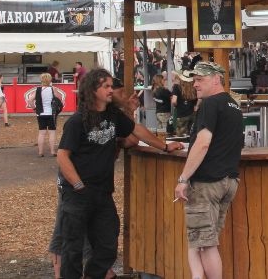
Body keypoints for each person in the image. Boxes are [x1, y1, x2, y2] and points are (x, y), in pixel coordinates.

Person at [56, 68, 183, 279]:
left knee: (108, 243)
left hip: (102, 192)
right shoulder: (77, 121)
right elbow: (62, 156)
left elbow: (136, 130)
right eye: (105, 86)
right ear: (93, 90)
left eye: (110, 86)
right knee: (73, 248)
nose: (110, 90)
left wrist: (164, 146)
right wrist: (78, 185)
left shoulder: (113, 115)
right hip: (77, 194)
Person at [173, 62, 243, 279]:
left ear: (216, 79)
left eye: (200, 80)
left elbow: (203, 143)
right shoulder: (233, 105)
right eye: (194, 80)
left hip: (207, 183)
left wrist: (183, 179)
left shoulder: (210, 104)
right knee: (201, 239)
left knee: (205, 244)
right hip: (228, 181)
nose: (195, 84)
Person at [35, 72, 61, 156]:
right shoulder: (53, 89)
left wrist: (34, 108)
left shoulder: (38, 90)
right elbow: (59, 99)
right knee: (52, 133)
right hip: (51, 114)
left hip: (41, 113)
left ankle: (40, 152)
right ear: (50, 80)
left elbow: (30, 100)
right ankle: (52, 151)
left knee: (41, 133)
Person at [172, 71, 198, 136]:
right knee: (191, 135)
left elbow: (174, 101)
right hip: (192, 114)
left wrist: (176, 105)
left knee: (180, 136)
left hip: (181, 114)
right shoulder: (194, 88)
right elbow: (198, 99)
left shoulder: (177, 87)